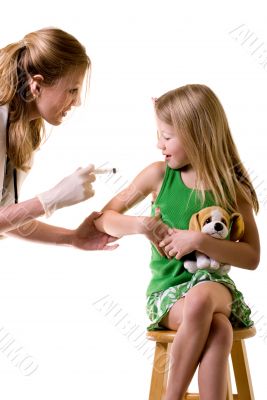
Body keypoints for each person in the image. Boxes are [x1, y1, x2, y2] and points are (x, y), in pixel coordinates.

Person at [94, 84, 260, 400]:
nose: (159, 144)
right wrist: (141, 225)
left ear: (198, 135)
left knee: (201, 300)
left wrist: (199, 240)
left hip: (217, 290)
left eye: (167, 136)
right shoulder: (158, 175)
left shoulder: (232, 188)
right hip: (168, 296)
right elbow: (104, 218)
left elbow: (252, 256)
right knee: (219, 328)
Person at [0, 27, 117, 250]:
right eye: (72, 90)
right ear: (36, 85)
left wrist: (71, 238)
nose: (77, 102)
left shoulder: (24, 128)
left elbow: (8, 219)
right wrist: (51, 199)